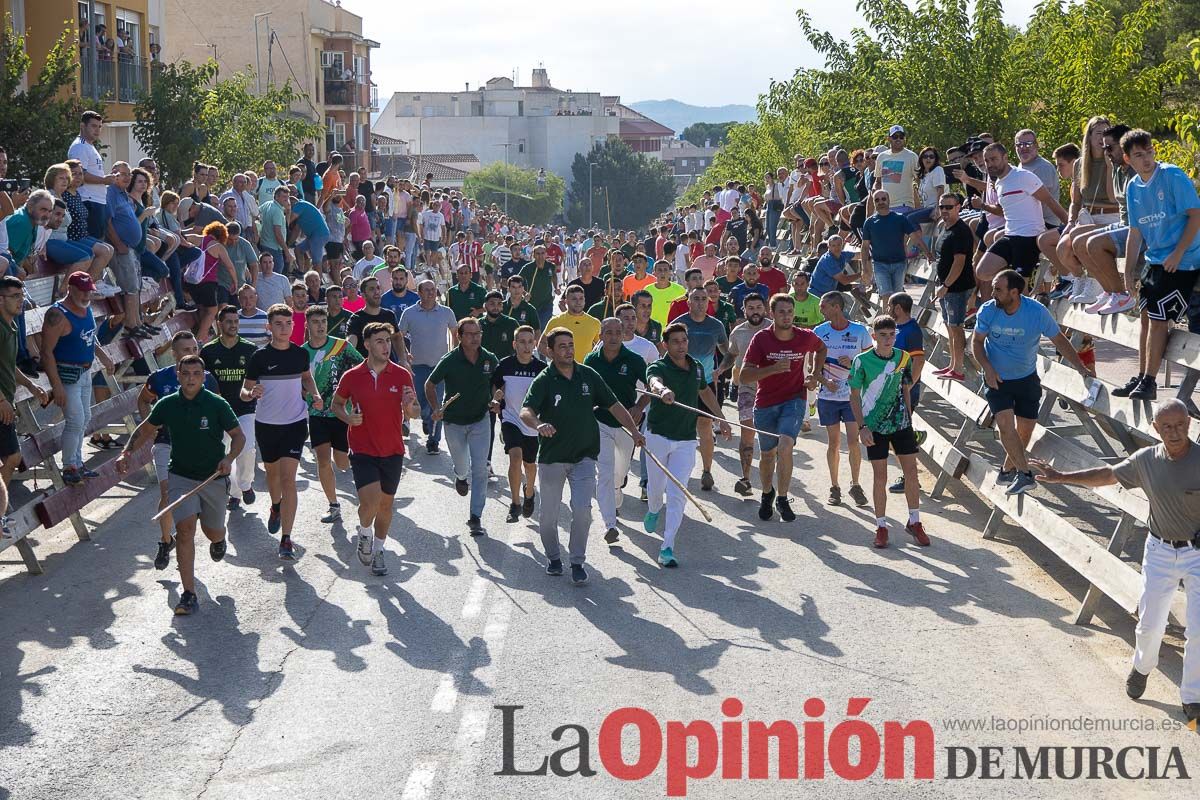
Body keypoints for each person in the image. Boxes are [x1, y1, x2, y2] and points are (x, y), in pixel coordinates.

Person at [1030, 399, 1200, 725]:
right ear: (1156, 429)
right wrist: (1061, 477)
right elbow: (1107, 474)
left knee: (1199, 629)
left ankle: (1192, 697)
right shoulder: (1146, 460)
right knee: (1151, 624)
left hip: (1197, 553)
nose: (1175, 432)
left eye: (1180, 425)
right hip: (1161, 550)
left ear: (1189, 423)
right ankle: (1142, 667)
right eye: (1168, 427)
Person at [117, 355, 243, 615]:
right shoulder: (167, 404)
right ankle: (188, 594)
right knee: (185, 531)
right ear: (178, 375)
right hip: (181, 476)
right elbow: (145, 430)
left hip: (212, 477)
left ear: (203, 376)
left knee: (213, 531)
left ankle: (219, 540)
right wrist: (126, 453)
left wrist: (229, 458)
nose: (191, 379)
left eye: (196, 374)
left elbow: (238, 436)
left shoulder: (216, 404)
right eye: (185, 374)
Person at [521, 328, 644, 584]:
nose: (568, 350)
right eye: (562, 346)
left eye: (570, 344)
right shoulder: (544, 380)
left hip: (584, 456)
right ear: (550, 351)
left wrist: (633, 431)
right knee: (548, 516)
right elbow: (526, 411)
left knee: (583, 511)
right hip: (553, 458)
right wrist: (539, 424)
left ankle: (577, 561)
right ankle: (554, 558)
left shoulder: (588, 375)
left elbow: (615, 406)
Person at [973, 270, 1090, 495]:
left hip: (1026, 377)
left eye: (998, 290)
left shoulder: (1036, 312)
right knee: (1006, 427)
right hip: (997, 379)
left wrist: (1081, 368)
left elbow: (1059, 339)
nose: (992, 293)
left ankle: (1007, 470)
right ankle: (1024, 474)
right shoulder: (988, 310)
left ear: (1014, 293)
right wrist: (987, 368)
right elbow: (976, 342)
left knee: (1025, 430)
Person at [1114, 129, 1200, 401]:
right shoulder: (1133, 187)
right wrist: (1128, 271)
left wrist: (1179, 252)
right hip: (1155, 260)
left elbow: (1196, 215)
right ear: (1127, 159)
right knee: (1145, 316)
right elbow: (1135, 232)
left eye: (1149, 151)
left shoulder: (1172, 175)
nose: (1146, 158)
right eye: (1139, 155)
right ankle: (1141, 376)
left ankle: (1150, 382)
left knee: (1158, 318)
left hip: (1183, 259)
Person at [331, 322, 417, 576]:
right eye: (379, 341)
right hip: (362, 448)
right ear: (367, 345)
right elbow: (337, 404)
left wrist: (410, 406)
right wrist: (348, 418)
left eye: (388, 341)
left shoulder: (401, 374)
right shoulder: (352, 376)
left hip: (392, 449)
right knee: (370, 503)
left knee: (386, 506)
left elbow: (413, 413)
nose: (385, 346)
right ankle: (365, 532)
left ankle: (379, 549)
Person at [642, 322, 730, 567]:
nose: (681, 345)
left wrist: (720, 419)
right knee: (656, 488)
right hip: (658, 436)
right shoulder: (658, 366)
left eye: (684, 340)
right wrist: (662, 390)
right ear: (666, 345)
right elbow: (654, 382)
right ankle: (653, 509)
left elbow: (705, 393)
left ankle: (667, 545)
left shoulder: (697, 367)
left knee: (678, 492)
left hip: (685, 440)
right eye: (675, 341)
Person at [240, 304, 323, 559]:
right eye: (278, 324)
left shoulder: (300, 354)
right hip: (266, 425)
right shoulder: (259, 357)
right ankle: (276, 506)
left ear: (294, 327)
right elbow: (243, 391)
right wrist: (251, 393)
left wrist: (315, 394)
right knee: (273, 478)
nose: (284, 329)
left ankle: (286, 539)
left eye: (288, 324)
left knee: (289, 479)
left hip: (295, 423)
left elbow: (306, 378)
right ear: (269, 327)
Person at [740, 294, 825, 521]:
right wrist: (772, 369)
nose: (786, 316)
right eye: (781, 312)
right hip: (766, 403)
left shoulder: (804, 337)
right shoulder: (761, 339)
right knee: (768, 455)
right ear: (772, 314)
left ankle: (783, 498)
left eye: (789, 312)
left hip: (794, 400)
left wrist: (815, 375)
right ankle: (767, 494)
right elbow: (744, 375)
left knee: (786, 445)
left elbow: (821, 348)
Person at [848, 315, 928, 549]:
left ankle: (915, 521)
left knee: (911, 474)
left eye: (891, 335)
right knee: (880, 477)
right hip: (874, 427)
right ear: (873, 336)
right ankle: (881, 526)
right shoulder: (861, 361)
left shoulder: (903, 357)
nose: (887, 339)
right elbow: (854, 396)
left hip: (901, 425)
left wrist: (909, 418)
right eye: (882, 335)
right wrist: (862, 427)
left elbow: (905, 388)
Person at [141, 330, 221, 563]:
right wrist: (151, 424)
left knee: (197, 498)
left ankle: (211, 535)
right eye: (186, 350)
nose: (192, 353)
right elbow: (143, 399)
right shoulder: (158, 378)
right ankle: (166, 541)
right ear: (174, 354)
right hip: (166, 443)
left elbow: (218, 409)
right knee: (168, 493)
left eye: (195, 349)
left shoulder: (208, 378)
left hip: (199, 446)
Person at [41, 272, 115, 485]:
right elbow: (46, 352)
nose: (86, 295)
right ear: (70, 289)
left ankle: (78, 463)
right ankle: (69, 467)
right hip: (66, 374)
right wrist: (57, 387)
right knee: (75, 420)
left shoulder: (86, 308)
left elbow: (91, 338)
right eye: (81, 291)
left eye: (88, 290)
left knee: (85, 417)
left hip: (85, 372)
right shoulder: (58, 314)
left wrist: (103, 356)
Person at [426, 318, 499, 534]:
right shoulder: (449, 360)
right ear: (460, 336)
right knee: (462, 465)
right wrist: (435, 407)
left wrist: (496, 398)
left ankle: (475, 517)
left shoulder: (489, 358)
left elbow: (498, 381)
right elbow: (429, 384)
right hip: (454, 421)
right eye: (470, 334)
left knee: (480, 469)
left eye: (478, 333)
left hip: (480, 419)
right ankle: (459, 476)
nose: (475, 338)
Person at [971, 143, 1069, 300]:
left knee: (1019, 294)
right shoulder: (998, 183)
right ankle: (1015, 272)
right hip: (1010, 235)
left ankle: (1031, 317)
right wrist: (982, 205)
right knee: (982, 271)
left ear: (1005, 157)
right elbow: (1004, 210)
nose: (990, 164)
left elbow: (1050, 201)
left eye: (994, 159)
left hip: (1029, 237)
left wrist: (1068, 224)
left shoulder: (1023, 176)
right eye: (987, 160)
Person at [584, 317, 649, 544]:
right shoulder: (591, 360)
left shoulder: (634, 360)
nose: (612, 337)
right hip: (599, 421)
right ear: (600, 335)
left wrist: (640, 407)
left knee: (620, 472)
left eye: (617, 333)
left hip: (627, 424)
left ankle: (617, 492)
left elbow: (651, 384)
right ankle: (609, 524)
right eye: (608, 333)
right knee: (604, 472)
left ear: (623, 335)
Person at [304, 304, 363, 523]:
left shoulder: (341, 347)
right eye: (315, 322)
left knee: (341, 463)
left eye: (323, 322)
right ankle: (333, 505)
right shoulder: (302, 352)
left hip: (340, 412)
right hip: (317, 413)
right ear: (308, 325)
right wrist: (307, 394)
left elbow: (361, 367)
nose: (320, 326)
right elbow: (300, 382)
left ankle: (350, 462)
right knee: (322, 460)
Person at [813, 292, 872, 507]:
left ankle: (855, 485)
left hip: (852, 397)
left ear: (836, 307)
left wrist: (852, 365)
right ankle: (834, 486)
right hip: (828, 396)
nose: (821, 310)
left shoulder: (860, 331)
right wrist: (823, 380)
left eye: (824, 306)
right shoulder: (820, 332)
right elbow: (813, 368)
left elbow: (870, 365)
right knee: (833, 443)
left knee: (853, 442)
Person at [0, 276, 47, 537]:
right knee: (12, 457)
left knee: (11, 458)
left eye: (21, 295)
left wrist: (31, 386)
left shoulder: (12, 326)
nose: (21, 301)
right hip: (1, 403)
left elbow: (9, 365)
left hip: (6, 401)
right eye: (15, 296)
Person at [201, 306, 259, 510]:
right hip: (218, 412)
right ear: (219, 324)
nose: (233, 325)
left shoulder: (250, 349)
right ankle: (234, 493)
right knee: (224, 453)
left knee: (247, 448)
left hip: (245, 408)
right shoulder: (208, 351)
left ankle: (245, 485)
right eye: (229, 321)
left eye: (236, 321)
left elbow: (257, 378)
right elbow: (204, 381)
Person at [674, 287, 728, 491]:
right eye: (695, 298)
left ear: (709, 302)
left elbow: (727, 351)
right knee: (683, 429)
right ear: (688, 301)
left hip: (705, 383)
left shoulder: (716, 325)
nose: (700, 302)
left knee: (705, 425)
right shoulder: (679, 324)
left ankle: (707, 471)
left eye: (703, 299)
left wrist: (721, 369)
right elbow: (667, 351)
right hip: (681, 385)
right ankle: (680, 471)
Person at [716, 294, 769, 496]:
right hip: (747, 389)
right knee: (747, 433)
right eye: (750, 308)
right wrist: (721, 369)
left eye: (758, 307)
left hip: (772, 390)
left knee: (770, 439)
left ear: (765, 309)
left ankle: (770, 482)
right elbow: (731, 355)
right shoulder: (738, 332)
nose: (755, 311)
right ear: (744, 310)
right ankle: (746, 478)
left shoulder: (774, 329)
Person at [491, 325, 546, 523]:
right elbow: (496, 387)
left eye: (530, 342)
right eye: (522, 342)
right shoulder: (505, 365)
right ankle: (515, 504)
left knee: (530, 465)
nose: (526, 346)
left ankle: (529, 492)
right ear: (514, 344)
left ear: (534, 344)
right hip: (511, 418)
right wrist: (496, 400)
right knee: (515, 458)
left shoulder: (541, 369)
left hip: (531, 422)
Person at [396, 278, 458, 454]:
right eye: (427, 290)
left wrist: (453, 353)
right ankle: (425, 419)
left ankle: (433, 440)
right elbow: (399, 335)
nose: (431, 292)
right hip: (417, 365)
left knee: (436, 403)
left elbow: (455, 333)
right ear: (419, 293)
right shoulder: (409, 313)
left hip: (440, 365)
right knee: (422, 402)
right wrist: (404, 354)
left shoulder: (446, 312)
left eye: (433, 289)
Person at [928, 192, 975, 381]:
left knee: (956, 328)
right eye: (942, 207)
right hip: (946, 287)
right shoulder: (946, 227)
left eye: (949, 207)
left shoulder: (960, 231)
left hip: (957, 288)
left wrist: (946, 285)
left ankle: (958, 368)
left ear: (958, 207)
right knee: (949, 326)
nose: (945, 211)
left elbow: (960, 262)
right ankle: (952, 365)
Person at [861, 190, 931, 295]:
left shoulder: (900, 218)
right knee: (886, 296)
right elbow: (865, 247)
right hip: (880, 264)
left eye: (883, 199)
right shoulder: (869, 222)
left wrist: (928, 254)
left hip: (899, 264)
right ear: (874, 203)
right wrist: (864, 268)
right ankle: (886, 311)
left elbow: (915, 238)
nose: (881, 202)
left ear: (889, 200)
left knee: (897, 297)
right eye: (877, 200)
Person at [68, 111, 115, 241]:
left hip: (96, 200)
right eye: (94, 126)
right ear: (83, 126)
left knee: (98, 240)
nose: (98, 130)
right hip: (89, 200)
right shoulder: (80, 146)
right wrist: (104, 180)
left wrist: (105, 179)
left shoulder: (89, 146)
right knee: (94, 244)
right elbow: (80, 175)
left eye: (100, 126)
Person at [541, 285, 601, 361]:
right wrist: (557, 360)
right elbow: (542, 344)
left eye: (581, 298)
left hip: (585, 370)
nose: (578, 302)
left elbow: (601, 347)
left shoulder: (594, 323)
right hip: (562, 371)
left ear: (584, 300)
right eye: (574, 299)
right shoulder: (556, 321)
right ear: (566, 301)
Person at [518, 245, 559, 325]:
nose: (540, 256)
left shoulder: (551, 266)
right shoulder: (527, 267)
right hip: (532, 303)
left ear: (546, 254)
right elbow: (517, 281)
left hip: (547, 303)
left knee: (542, 327)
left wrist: (556, 287)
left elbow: (554, 276)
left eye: (543, 253)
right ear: (533, 255)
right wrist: (524, 293)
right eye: (538, 253)